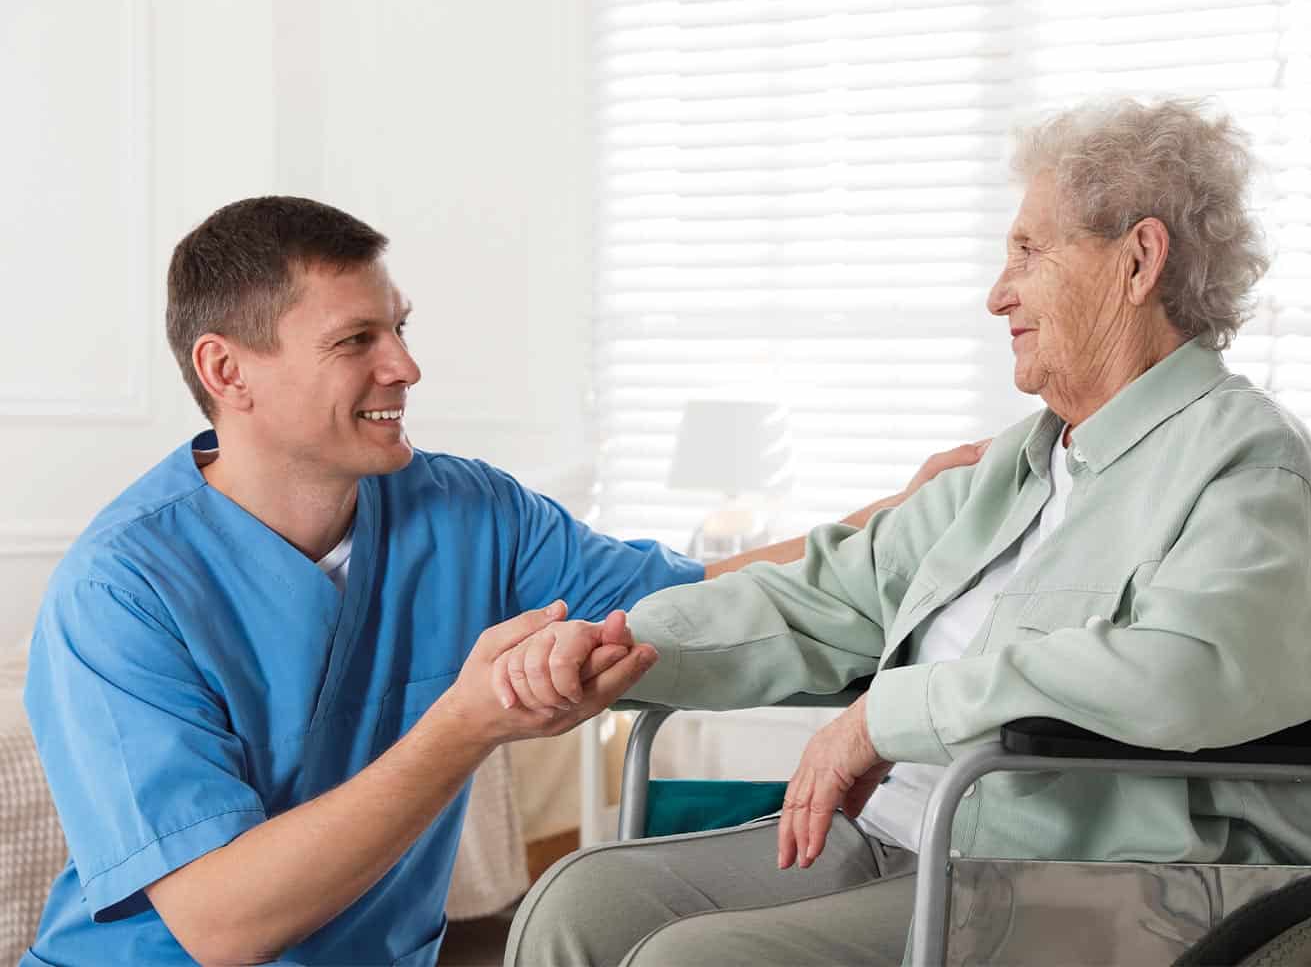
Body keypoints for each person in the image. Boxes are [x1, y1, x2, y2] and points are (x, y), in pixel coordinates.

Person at [503, 97, 1311, 967]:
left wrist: (891, 714)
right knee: (579, 905)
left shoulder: (1247, 459)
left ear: (1139, 260)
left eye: (1030, 251)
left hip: (1098, 878)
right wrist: (616, 649)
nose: (998, 295)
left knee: (694, 961)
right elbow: (824, 595)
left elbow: (1189, 670)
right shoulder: (1011, 466)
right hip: (902, 838)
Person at [21, 196, 981, 967]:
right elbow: (221, 928)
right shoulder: (119, 592)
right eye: (357, 341)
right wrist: (465, 723)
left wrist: (893, 518)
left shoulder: (468, 512)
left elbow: (696, 593)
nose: (407, 365)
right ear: (227, 370)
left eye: (398, 327)